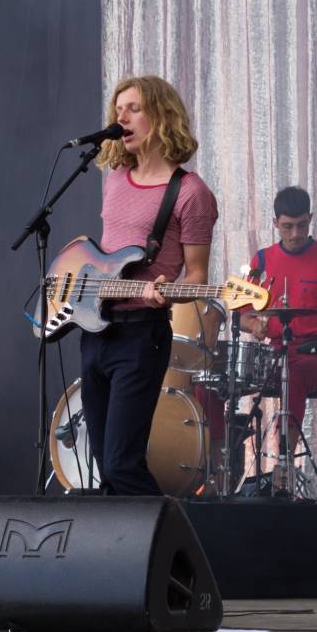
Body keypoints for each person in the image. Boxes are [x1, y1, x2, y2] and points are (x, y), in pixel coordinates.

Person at [81, 75, 219, 495]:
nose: (120, 117)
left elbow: (196, 274)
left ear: (161, 116)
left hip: (142, 335)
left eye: (133, 109)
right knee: (105, 465)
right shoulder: (115, 180)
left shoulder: (191, 193)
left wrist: (165, 290)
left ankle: (169, 548)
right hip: (96, 329)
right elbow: (103, 255)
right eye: (117, 109)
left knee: (123, 465)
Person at [246, 186, 317, 460]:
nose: (296, 234)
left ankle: (283, 462)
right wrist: (254, 325)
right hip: (271, 354)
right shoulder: (261, 260)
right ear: (275, 223)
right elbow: (243, 314)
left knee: (292, 376)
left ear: (310, 218)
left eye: (301, 225)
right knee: (219, 380)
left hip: (315, 356)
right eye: (287, 227)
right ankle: (219, 471)